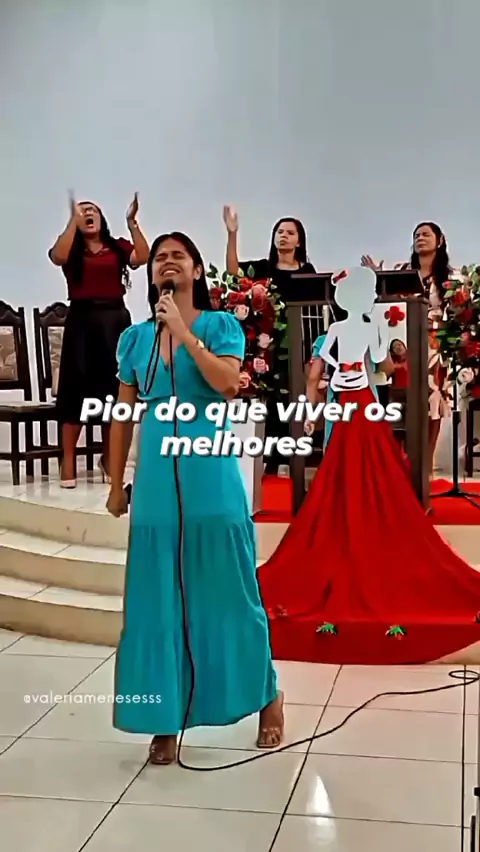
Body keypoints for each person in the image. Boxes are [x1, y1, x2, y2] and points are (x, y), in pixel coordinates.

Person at [106, 231, 284, 764]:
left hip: (211, 474)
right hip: (157, 482)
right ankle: (164, 716)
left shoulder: (219, 326)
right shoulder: (135, 340)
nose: (167, 262)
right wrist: (115, 484)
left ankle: (266, 695)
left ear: (197, 270)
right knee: (156, 601)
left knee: (229, 592)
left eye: (178, 256)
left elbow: (228, 383)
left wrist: (183, 332)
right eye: (160, 257)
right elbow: (122, 416)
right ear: (150, 273)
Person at [258, 267, 480, 666]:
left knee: (344, 467)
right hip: (360, 401)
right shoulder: (364, 329)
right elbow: (383, 368)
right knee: (369, 466)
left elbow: (319, 374)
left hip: (344, 403)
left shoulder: (335, 332)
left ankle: (348, 518)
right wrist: (374, 363)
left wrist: (318, 401)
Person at [49, 194, 149, 487]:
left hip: (114, 320)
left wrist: (132, 223)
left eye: (92, 210)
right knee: (76, 389)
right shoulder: (71, 249)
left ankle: (109, 458)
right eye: (82, 211)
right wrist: (72, 222)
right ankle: (68, 461)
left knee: (112, 390)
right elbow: (58, 257)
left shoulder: (116, 246)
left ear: (101, 218)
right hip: (82, 321)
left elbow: (142, 257)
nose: (87, 214)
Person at [223, 207, 316, 474]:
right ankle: (266, 460)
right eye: (279, 232)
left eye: (290, 233)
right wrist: (232, 234)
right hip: (265, 344)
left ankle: (290, 459)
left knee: (292, 398)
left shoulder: (307, 271)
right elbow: (233, 274)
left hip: (297, 344)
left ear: (299, 241)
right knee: (268, 398)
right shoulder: (263, 269)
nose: (283, 236)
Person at [361, 221, 452, 471]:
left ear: (440, 241)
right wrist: (377, 278)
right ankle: (398, 468)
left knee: (431, 405)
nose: (420, 238)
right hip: (402, 348)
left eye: (426, 234)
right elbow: (387, 303)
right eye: (416, 235)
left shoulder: (451, 278)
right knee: (400, 403)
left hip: (434, 351)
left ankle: (425, 467)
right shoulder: (402, 272)